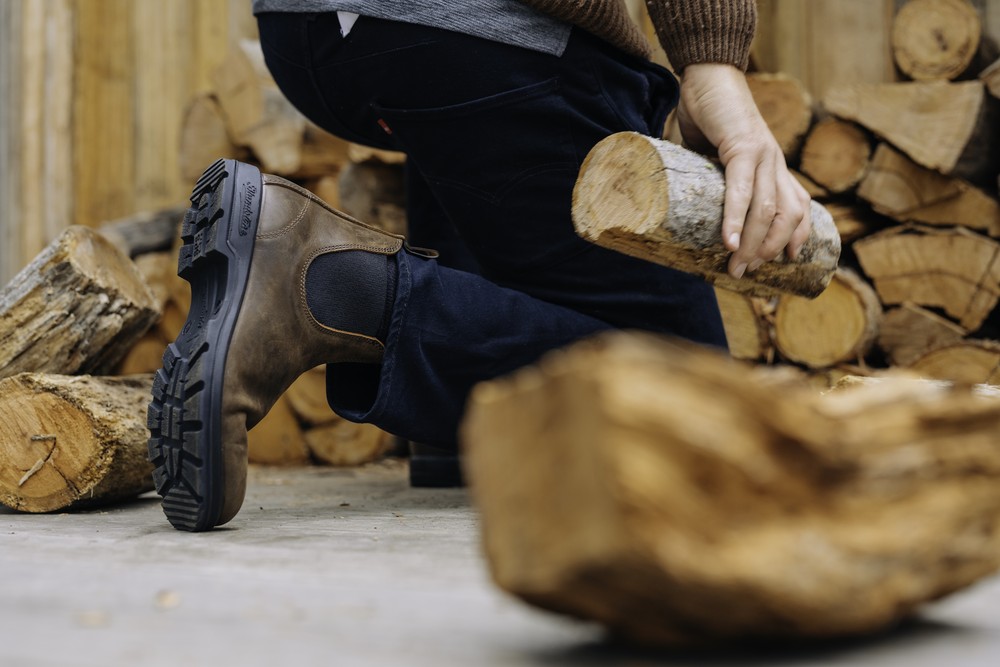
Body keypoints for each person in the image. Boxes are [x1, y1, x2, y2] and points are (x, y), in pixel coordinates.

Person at [147, 0, 812, 531]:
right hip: (484, 31)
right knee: (691, 411)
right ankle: (329, 285)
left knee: (458, 123)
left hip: (306, 35)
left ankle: (459, 436)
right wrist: (714, 62)